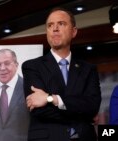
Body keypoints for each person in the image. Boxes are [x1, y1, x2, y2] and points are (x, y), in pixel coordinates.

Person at [22, 7, 101, 141]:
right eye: (50, 25)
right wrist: (82, 113)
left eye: (61, 24)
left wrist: (51, 99)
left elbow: (92, 107)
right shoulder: (32, 67)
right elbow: (40, 111)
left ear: (74, 31)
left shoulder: (88, 69)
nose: (55, 29)